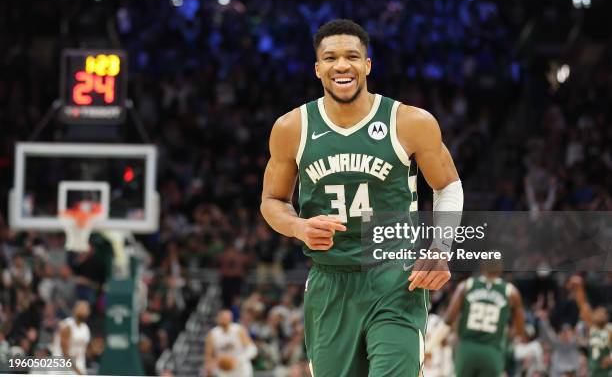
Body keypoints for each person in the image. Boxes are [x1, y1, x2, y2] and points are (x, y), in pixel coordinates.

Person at [260, 19, 463, 376]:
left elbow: (448, 186)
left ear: (367, 65)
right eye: (331, 57)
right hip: (330, 281)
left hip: (395, 278)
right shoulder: (292, 128)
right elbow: (272, 201)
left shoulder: (410, 122)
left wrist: (441, 246)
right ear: (318, 68)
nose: (342, 65)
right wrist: (298, 227)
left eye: (352, 56)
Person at [427, 261, 525, 377]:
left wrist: (430, 346)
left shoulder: (467, 285)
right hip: (492, 350)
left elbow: (449, 319)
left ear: (482, 267)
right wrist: (506, 335)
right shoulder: (511, 292)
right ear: (501, 269)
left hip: (467, 349)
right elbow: (520, 329)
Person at [568, 275, 612, 376]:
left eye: (602, 312)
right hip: (593, 371)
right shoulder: (593, 327)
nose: (598, 314)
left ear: (606, 316)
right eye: (596, 312)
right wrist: (579, 288)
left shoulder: (610, 329)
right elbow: (583, 306)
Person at [203, 310, 257, 377]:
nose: (224, 320)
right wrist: (209, 367)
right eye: (222, 318)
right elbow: (208, 355)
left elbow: (252, 349)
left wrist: (238, 359)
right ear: (218, 319)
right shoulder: (212, 334)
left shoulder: (238, 330)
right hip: (224, 371)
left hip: (241, 369)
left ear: (231, 318)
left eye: (226, 318)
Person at [50, 300, 91, 375]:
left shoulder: (86, 329)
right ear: (75, 310)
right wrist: (78, 371)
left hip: (78, 365)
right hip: (62, 367)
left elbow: (84, 351)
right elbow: (65, 353)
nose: (84, 311)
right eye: (81, 308)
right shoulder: (67, 326)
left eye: (86, 308)